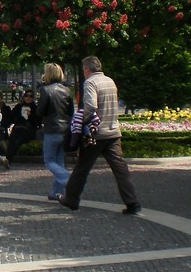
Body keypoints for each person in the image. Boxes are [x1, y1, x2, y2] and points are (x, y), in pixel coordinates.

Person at [58, 56, 141, 215]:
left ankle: (72, 199)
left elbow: (91, 106)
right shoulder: (110, 81)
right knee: (120, 169)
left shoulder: (90, 82)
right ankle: (133, 202)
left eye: (83, 69)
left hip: (96, 134)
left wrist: (81, 121)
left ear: (87, 69)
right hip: (113, 132)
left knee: (82, 167)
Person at [36, 63, 73, 201]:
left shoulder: (46, 90)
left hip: (52, 129)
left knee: (49, 161)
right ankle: (56, 192)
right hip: (65, 129)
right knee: (59, 161)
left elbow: (40, 111)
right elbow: (71, 112)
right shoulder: (66, 90)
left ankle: (67, 179)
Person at [2, 89, 41, 169]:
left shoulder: (35, 108)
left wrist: (30, 116)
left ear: (33, 98)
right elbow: (11, 118)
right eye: (26, 95)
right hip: (18, 128)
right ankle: (7, 159)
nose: (28, 98)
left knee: (18, 140)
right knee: (13, 138)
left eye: (31, 96)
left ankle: (7, 158)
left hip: (28, 130)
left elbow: (38, 123)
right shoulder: (19, 106)